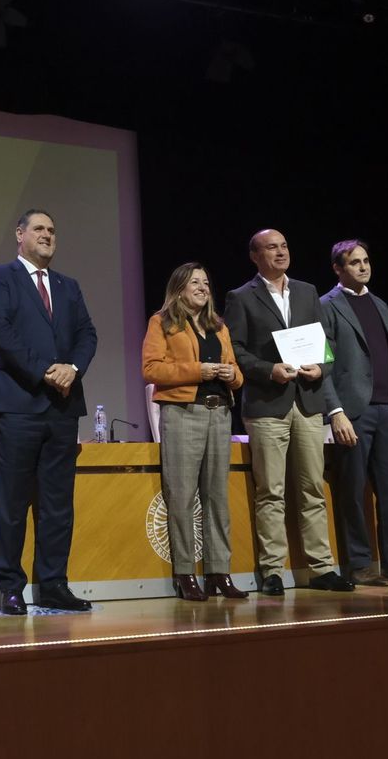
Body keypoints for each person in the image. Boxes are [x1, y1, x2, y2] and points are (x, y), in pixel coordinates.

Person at [0, 209, 99, 615]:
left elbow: (87, 334)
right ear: (20, 235)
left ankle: (53, 585)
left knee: (57, 505)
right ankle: (11, 587)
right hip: (17, 406)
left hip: (62, 408)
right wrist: (45, 370)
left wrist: (73, 368)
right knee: (11, 504)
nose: (48, 235)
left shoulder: (68, 285)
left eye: (52, 230)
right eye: (39, 229)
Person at [225, 228, 355, 595]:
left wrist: (321, 367)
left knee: (313, 488)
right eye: (271, 247)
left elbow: (324, 343)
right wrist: (269, 370)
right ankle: (272, 571)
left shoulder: (306, 291)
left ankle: (321, 568)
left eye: (284, 246)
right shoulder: (240, 297)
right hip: (268, 404)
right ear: (255, 256)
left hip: (308, 402)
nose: (280, 253)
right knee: (271, 491)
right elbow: (234, 348)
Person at [319, 240, 388, 586]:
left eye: (366, 261)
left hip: (387, 410)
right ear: (338, 268)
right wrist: (334, 411)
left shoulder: (379, 303)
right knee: (351, 490)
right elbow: (323, 363)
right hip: (353, 411)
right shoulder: (327, 305)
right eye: (354, 262)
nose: (363, 267)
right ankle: (359, 564)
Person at [142, 262, 246, 601]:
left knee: (217, 498)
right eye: (194, 282)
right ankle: (185, 574)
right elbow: (151, 369)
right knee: (183, 497)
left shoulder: (218, 325)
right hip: (183, 414)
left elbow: (236, 371)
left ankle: (219, 572)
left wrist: (233, 376)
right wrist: (197, 371)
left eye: (205, 282)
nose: (202, 287)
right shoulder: (163, 322)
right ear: (179, 288)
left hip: (220, 415)